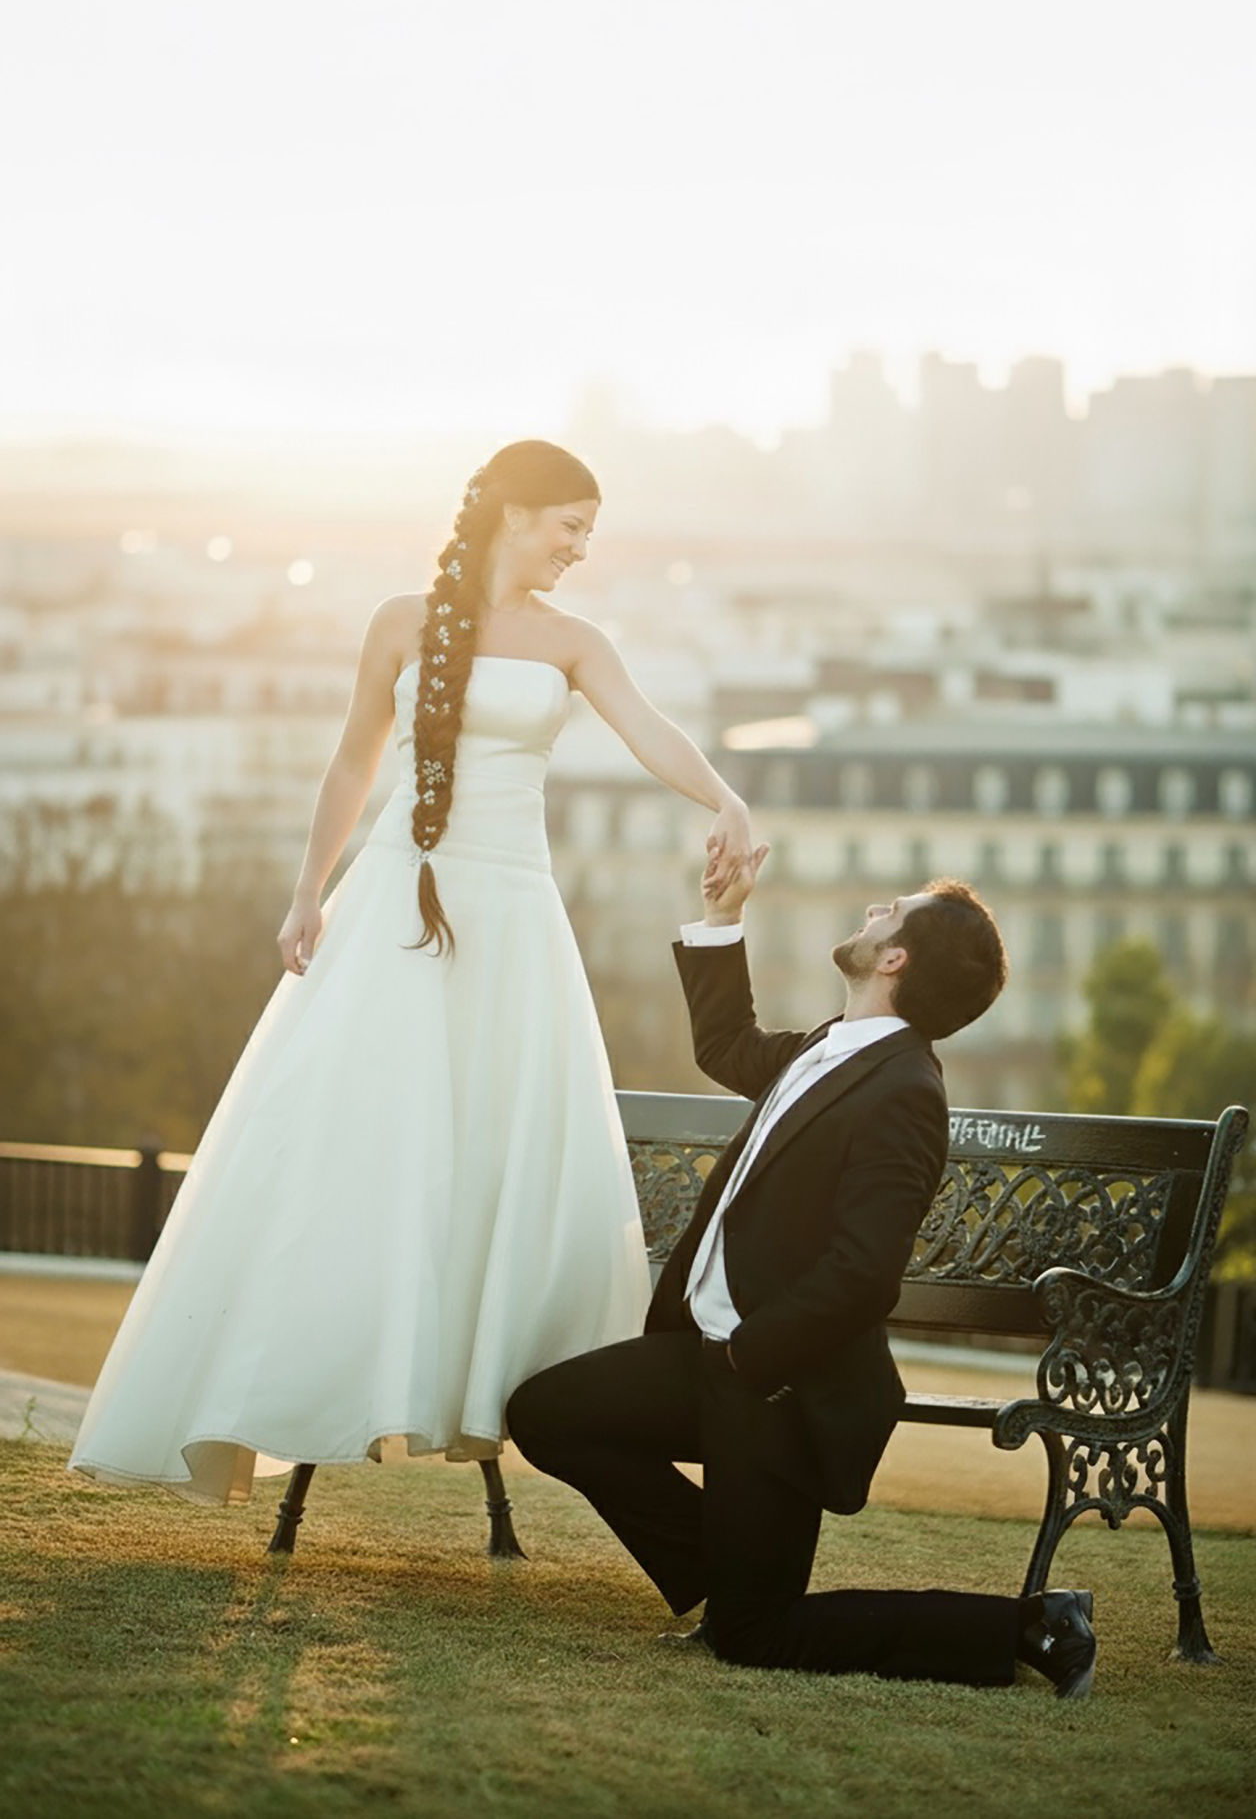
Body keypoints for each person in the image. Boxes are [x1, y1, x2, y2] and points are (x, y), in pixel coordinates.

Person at [69, 440, 754, 1511]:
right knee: (355, 1133)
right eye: (570, 525)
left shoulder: (575, 642)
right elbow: (354, 758)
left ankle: (479, 1385)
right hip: (395, 896)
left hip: (512, 911)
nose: (580, 548)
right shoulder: (398, 622)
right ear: (514, 513)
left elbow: (648, 731)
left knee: (492, 1138)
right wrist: (308, 891)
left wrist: (724, 799)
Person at [508, 853, 1099, 1698]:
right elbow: (726, 1045)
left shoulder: (905, 1091)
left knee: (756, 1635)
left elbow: (864, 1275)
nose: (874, 909)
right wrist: (723, 918)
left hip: (778, 1391)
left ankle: (1033, 1624)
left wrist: (747, 1358)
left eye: (890, 911)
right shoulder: (829, 1046)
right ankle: (723, 1564)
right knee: (547, 1412)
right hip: (708, 1362)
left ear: (894, 958)